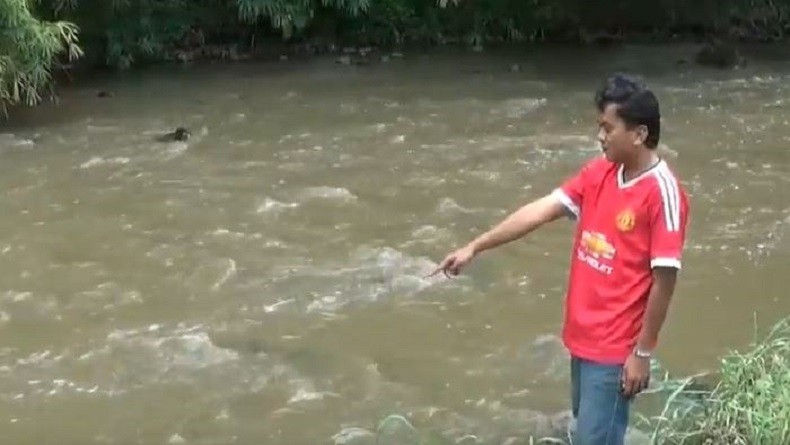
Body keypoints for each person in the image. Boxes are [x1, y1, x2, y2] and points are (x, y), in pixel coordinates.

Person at [429, 73, 689, 445]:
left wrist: (642, 352)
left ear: (639, 134)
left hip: (614, 350)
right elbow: (540, 211)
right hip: (581, 339)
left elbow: (665, 280)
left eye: (607, 127)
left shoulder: (662, 193)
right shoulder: (600, 172)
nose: (600, 136)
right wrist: (476, 246)